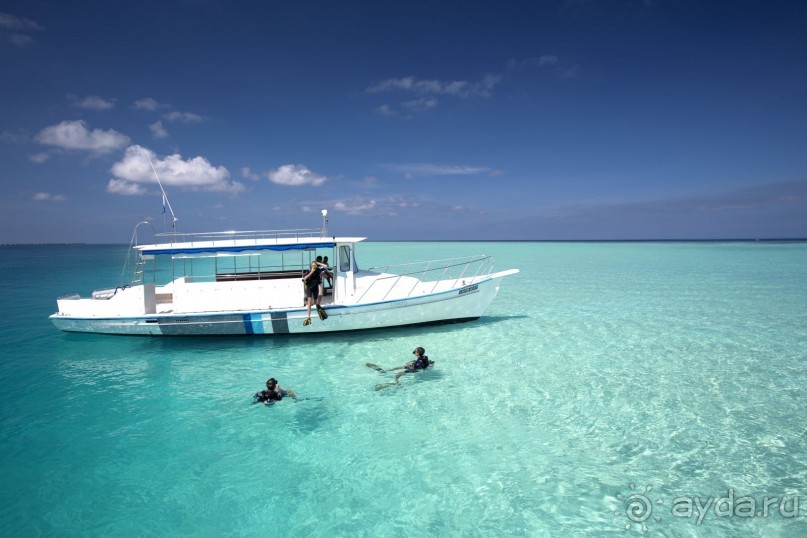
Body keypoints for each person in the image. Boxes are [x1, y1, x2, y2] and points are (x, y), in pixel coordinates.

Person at [366, 347, 433, 390]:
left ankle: (396, 382)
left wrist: (408, 364)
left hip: (415, 370)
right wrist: (412, 362)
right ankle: (385, 371)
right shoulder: (423, 357)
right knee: (398, 367)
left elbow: (414, 368)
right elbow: (427, 361)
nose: (414, 352)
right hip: (416, 366)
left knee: (398, 374)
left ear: (418, 353)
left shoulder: (420, 361)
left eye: (415, 351)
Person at [302, 258, 325, 325]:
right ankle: (308, 317)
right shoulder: (308, 271)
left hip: (315, 287)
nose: (314, 267)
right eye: (313, 266)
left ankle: (317, 306)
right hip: (309, 287)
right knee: (309, 301)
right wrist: (311, 272)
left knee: (315, 301)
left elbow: (325, 267)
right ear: (311, 266)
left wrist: (318, 263)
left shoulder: (318, 270)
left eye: (315, 265)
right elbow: (304, 278)